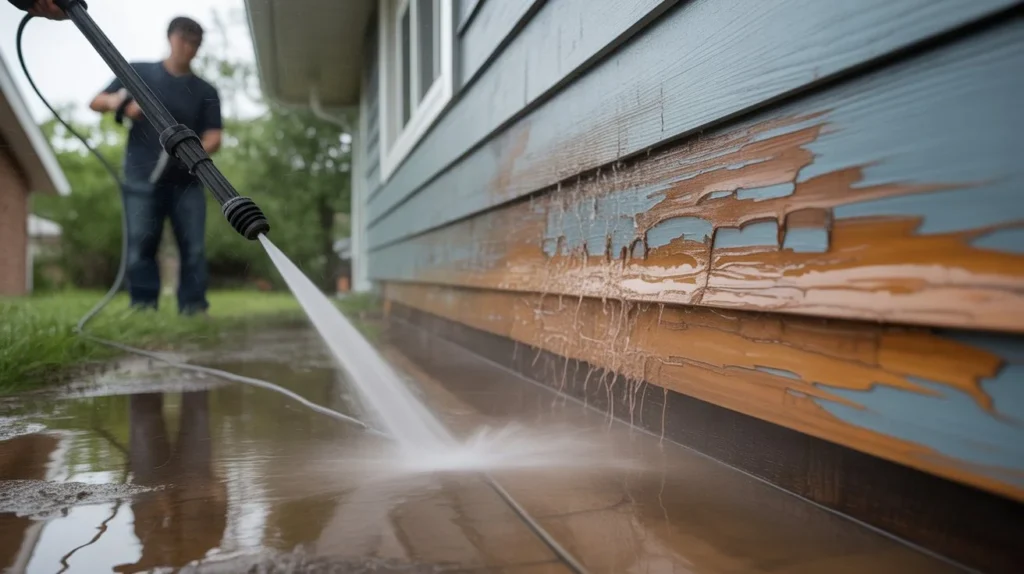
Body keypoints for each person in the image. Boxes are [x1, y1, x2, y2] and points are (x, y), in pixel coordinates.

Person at [86, 17, 223, 315]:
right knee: (141, 245)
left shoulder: (205, 90)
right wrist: (121, 104)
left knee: (194, 248)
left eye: (195, 43)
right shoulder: (139, 72)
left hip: (186, 180)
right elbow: (96, 101)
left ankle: (194, 308)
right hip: (140, 176)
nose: (188, 47)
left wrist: (189, 151)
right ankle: (143, 307)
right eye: (184, 39)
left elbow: (214, 135)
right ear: (170, 38)